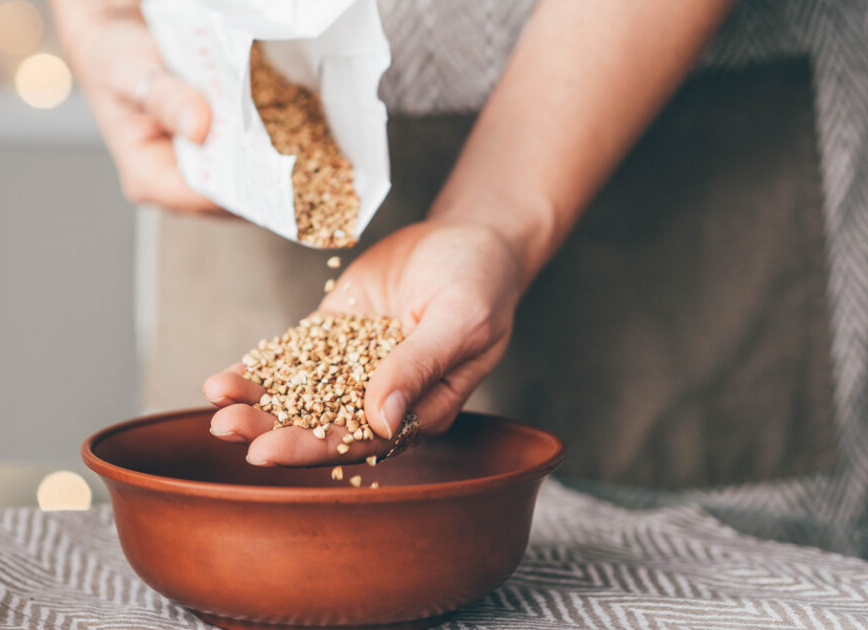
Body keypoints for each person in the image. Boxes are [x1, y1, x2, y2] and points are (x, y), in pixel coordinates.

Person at [55, 0, 868, 552]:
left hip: (677, 158)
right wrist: (104, 26)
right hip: (246, 166)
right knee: (255, 515)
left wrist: (493, 215)